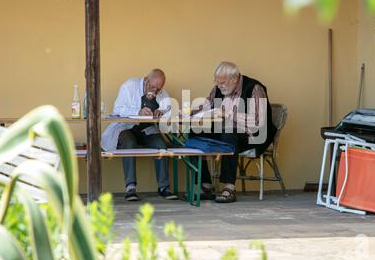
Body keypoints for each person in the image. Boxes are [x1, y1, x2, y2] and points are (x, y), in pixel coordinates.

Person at [193, 61, 277, 203]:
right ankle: (206, 185)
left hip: (254, 136)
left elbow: (258, 121)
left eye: (223, 83)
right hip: (227, 131)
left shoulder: (254, 88)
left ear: (234, 79)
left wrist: (228, 113)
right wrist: (190, 112)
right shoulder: (219, 88)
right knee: (195, 132)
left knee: (229, 132)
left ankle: (229, 188)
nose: (219, 86)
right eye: (217, 82)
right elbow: (206, 106)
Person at [101, 68, 178, 201]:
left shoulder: (162, 93)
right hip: (125, 128)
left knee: (160, 145)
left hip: (147, 129)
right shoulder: (129, 86)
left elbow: (171, 109)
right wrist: (138, 111)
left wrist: (162, 111)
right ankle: (130, 188)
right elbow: (118, 109)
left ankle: (164, 187)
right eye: (152, 87)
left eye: (158, 89)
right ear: (146, 79)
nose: (155, 91)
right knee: (129, 142)